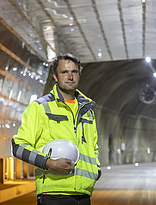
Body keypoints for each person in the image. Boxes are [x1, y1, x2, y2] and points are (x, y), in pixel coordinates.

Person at [12, 53, 101, 205]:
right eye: (64, 72)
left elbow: (93, 147)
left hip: (83, 194)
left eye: (74, 71)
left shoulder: (87, 111)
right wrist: (48, 163)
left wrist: (96, 170)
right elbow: (18, 147)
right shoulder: (40, 108)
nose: (70, 76)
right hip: (54, 194)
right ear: (55, 76)